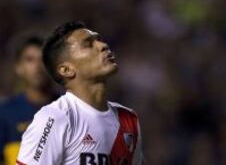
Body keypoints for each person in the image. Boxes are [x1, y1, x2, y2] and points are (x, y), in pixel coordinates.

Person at [16, 21, 144, 165]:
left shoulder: (129, 118)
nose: (103, 45)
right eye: (88, 44)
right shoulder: (55, 118)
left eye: (99, 40)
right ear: (66, 70)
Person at [0, 34, 58, 165]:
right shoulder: (4, 113)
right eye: (30, 60)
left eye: (43, 60)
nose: (38, 66)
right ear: (18, 67)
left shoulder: (70, 109)